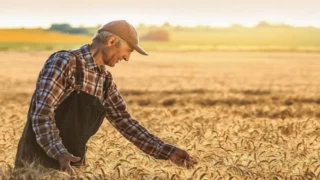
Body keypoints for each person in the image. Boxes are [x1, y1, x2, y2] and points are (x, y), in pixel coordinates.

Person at [14, 20, 198, 172]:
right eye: (128, 50)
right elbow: (42, 114)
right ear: (111, 41)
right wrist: (59, 153)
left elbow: (124, 121)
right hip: (36, 166)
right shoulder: (65, 62)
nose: (127, 58)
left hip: (72, 167)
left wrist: (167, 152)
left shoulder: (104, 80)